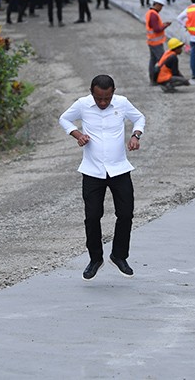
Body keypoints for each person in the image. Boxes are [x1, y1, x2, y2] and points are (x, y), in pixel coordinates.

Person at [58, 75, 146, 280]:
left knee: (125, 214)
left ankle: (119, 255)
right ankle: (95, 259)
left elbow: (139, 118)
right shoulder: (82, 105)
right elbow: (64, 118)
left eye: (107, 98)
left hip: (119, 169)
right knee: (92, 216)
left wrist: (136, 135)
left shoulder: (122, 103)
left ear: (113, 91)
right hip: (92, 170)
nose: (103, 103)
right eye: (99, 99)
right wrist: (77, 134)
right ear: (92, 92)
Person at [145, 0, 172, 83]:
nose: (161, 8)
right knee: (162, 60)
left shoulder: (151, 13)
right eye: (161, 6)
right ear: (157, 5)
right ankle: (160, 78)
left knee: (153, 61)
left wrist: (162, 25)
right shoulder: (153, 15)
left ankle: (153, 79)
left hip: (152, 42)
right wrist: (165, 26)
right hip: (156, 43)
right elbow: (156, 29)